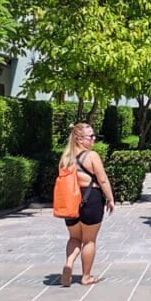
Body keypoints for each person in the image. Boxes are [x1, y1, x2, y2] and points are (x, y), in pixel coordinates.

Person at [59, 122, 115, 286]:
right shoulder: (91, 156)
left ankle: (69, 263)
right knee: (89, 240)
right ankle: (86, 276)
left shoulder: (65, 158)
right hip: (90, 198)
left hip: (70, 201)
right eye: (90, 136)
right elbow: (102, 179)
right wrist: (110, 199)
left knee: (74, 237)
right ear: (79, 139)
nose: (94, 139)